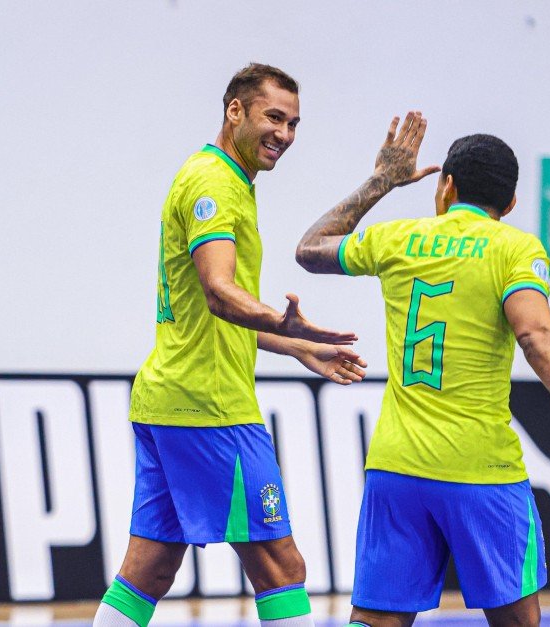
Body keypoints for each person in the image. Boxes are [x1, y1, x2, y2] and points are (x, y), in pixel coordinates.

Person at [295, 113, 550, 627]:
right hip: (480, 472)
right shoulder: (514, 248)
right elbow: (535, 333)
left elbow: (309, 249)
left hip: (397, 469)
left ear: (447, 186)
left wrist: (382, 180)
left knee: (376, 620)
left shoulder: (397, 239)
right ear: (508, 205)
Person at [93, 64, 368, 627]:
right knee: (282, 568)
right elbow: (220, 292)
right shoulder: (215, 184)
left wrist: (295, 348)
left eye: (293, 123)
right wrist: (288, 325)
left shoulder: (223, 180)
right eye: (274, 117)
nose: (285, 135)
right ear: (234, 111)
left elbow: (211, 309)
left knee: (149, 571)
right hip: (209, 407)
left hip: (167, 401)